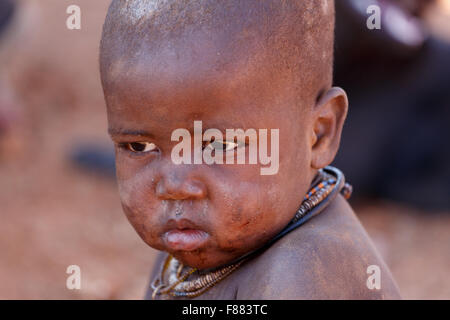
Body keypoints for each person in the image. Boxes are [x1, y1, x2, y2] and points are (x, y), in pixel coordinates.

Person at [99, 0, 400, 299]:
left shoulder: (299, 271)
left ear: (319, 133)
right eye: (139, 146)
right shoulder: (193, 238)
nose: (174, 185)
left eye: (220, 145)